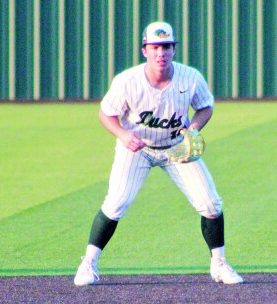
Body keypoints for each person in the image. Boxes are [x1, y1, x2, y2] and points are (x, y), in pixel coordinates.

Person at [74, 21, 243, 286]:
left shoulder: (190, 77)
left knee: (211, 204)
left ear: (174, 49)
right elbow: (106, 113)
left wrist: (194, 129)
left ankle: (219, 265)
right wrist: (123, 134)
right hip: (137, 149)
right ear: (145, 50)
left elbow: (205, 106)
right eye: (155, 47)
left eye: (166, 47)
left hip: (177, 147)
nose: (160, 53)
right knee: (116, 203)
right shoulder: (128, 81)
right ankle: (88, 265)